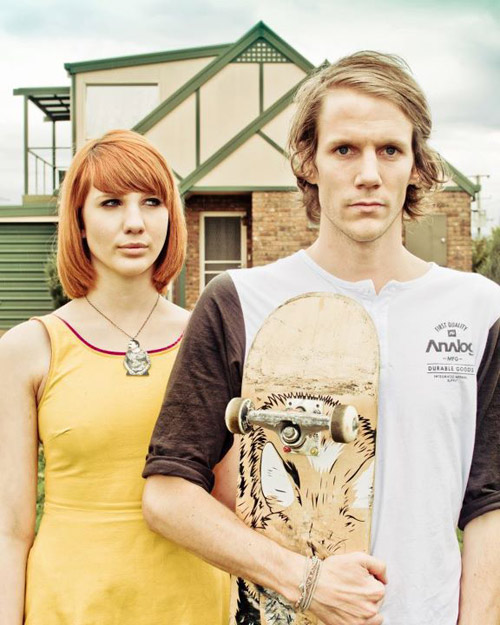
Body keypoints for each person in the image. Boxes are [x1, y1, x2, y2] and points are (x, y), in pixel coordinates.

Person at [142, 53, 500, 625]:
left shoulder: (479, 310)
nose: (369, 173)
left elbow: (490, 502)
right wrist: (303, 581)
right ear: (308, 161)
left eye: (390, 150)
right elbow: (167, 493)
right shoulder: (239, 301)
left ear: (417, 164)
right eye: (344, 149)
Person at [0, 129, 229, 625]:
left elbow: (232, 504)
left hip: (191, 605)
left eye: (152, 202)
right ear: (79, 222)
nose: (135, 223)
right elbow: (10, 531)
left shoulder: (212, 339)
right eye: (110, 203)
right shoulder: (27, 349)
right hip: (69, 605)